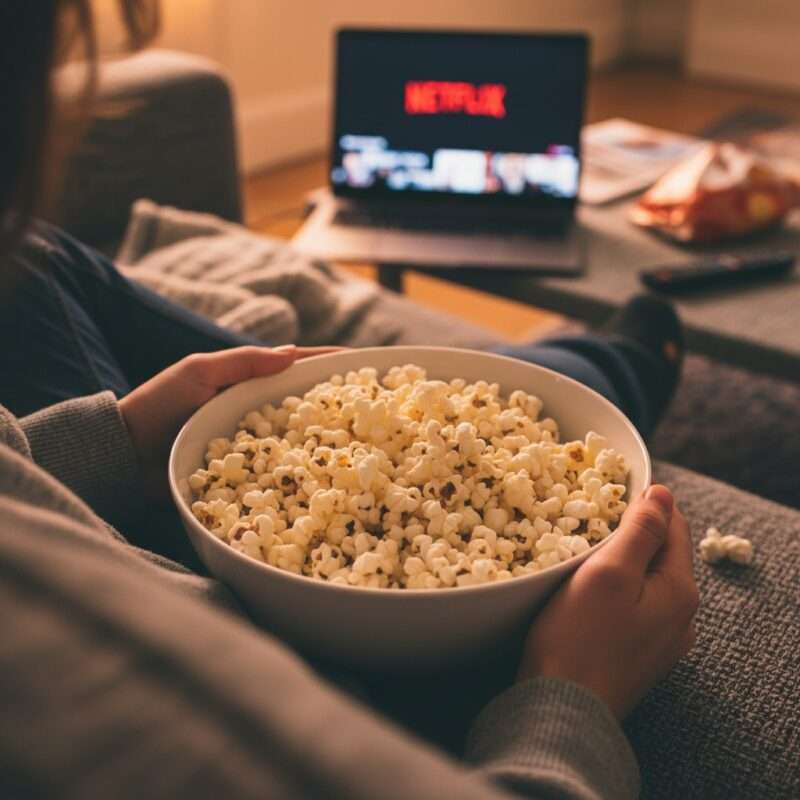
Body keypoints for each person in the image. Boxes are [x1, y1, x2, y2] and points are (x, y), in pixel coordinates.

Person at [0, 2, 699, 798]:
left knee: (36, 258)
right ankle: (623, 362)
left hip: (171, 483)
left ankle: (593, 359)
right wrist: (574, 694)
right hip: (307, 634)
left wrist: (118, 434)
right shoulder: (88, 675)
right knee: (577, 370)